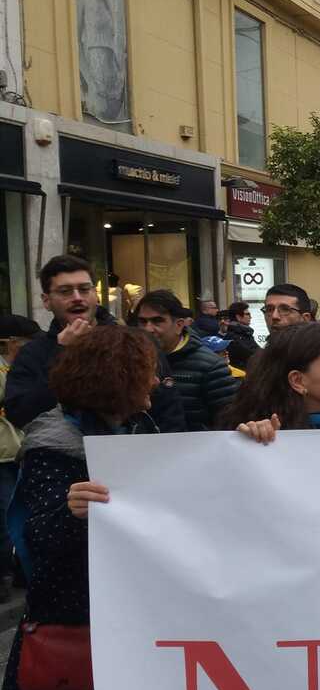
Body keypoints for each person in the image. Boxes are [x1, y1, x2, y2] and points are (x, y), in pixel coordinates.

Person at [0, 326, 167, 690]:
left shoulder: (138, 426)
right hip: (84, 618)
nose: (157, 381)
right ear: (118, 379)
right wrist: (71, 511)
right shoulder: (53, 443)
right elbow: (39, 539)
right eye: (147, 372)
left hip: (135, 613)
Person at [3, 255, 186, 433]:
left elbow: (168, 408)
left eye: (84, 289)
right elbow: (21, 414)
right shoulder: (34, 353)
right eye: (65, 291)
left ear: (95, 296)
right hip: (66, 456)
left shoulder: (137, 342)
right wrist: (62, 354)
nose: (77, 298)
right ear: (46, 301)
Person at [134, 290, 238, 431]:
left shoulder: (210, 366)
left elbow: (231, 422)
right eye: (142, 321)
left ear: (179, 325)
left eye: (157, 321)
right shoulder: (132, 362)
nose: (148, 329)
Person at [0, 314, 41, 602]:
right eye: (26, 344)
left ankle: (16, 570)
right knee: (5, 515)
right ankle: (6, 574)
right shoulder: (7, 372)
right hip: (3, 457)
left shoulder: (17, 369)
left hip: (18, 452)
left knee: (20, 513)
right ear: (10, 343)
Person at [223, 301, 259, 366]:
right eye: (247, 314)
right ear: (238, 317)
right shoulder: (233, 336)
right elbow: (253, 355)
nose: (250, 317)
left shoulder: (244, 333)